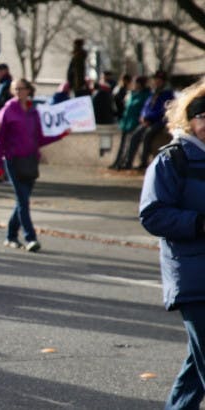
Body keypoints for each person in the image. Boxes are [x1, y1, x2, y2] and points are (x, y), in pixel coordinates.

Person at [139, 78, 205, 410]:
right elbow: (152, 214)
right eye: (203, 116)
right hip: (194, 276)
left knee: (197, 365)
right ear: (189, 121)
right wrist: (198, 223)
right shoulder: (172, 159)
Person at [0, 79, 67, 252]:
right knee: (23, 201)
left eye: (22, 88)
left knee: (22, 201)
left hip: (31, 160)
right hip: (12, 161)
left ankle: (11, 236)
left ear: (28, 90)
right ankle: (30, 237)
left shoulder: (33, 111)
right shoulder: (7, 111)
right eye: (15, 89)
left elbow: (40, 137)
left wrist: (60, 134)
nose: (19, 92)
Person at [119, 71, 176, 170]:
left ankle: (144, 162)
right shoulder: (153, 92)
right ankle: (128, 162)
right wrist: (143, 116)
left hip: (159, 122)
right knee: (135, 135)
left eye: (159, 80)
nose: (156, 81)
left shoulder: (167, 93)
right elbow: (146, 107)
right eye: (155, 79)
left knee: (147, 135)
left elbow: (163, 110)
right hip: (147, 121)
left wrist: (149, 118)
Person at [111, 76, 151, 170]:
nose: (133, 85)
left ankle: (126, 162)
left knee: (130, 144)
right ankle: (118, 162)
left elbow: (141, 108)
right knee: (123, 144)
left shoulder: (145, 95)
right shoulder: (132, 94)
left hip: (135, 122)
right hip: (126, 122)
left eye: (135, 83)